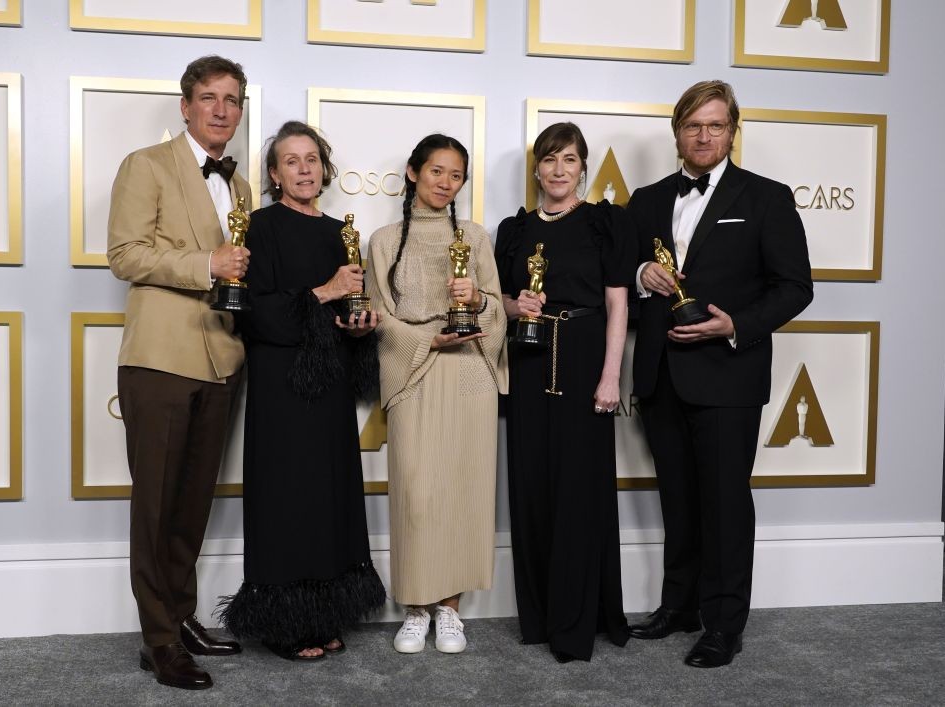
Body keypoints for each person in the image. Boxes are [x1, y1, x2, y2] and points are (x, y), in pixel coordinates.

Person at [626, 80, 813, 668]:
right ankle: (679, 606)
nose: (703, 136)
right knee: (678, 499)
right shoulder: (647, 199)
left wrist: (736, 325)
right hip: (661, 374)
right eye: (693, 126)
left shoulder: (767, 197)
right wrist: (641, 274)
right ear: (677, 132)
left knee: (726, 503)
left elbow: (795, 287)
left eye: (715, 125)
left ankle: (724, 624)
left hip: (729, 374)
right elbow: (619, 278)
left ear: (732, 131)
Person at [107, 55, 252, 691]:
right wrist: (206, 265)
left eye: (232, 99)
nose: (221, 109)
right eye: (209, 98)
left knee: (192, 504)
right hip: (160, 359)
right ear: (186, 106)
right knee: (156, 505)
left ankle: (182, 616)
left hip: (222, 359)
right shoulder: (146, 165)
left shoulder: (241, 186)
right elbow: (124, 254)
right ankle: (158, 639)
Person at [216, 121, 386, 660]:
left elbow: (346, 312)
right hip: (280, 385)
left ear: (324, 168)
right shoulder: (258, 228)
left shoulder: (342, 232)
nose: (304, 169)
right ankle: (284, 623)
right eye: (291, 161)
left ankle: (326, 613)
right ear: (274, 174)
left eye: (312, 159)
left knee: (330, 495)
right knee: (286, 496)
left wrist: (360, 327)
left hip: (330, 383)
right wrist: (326, 291)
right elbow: (254, 312)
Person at [494, 122, 636, 662]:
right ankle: (539, 617)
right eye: (550, 159)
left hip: (583, 359)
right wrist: (517, 306)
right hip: (528, 359)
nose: (559, 170)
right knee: (532, 486)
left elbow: (618, 303)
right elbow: (500, 302)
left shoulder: (604, 222)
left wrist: (610, 375)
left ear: (583, 168)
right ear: (537, 169)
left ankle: (577, 624)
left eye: (569, 159)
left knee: (579, 490)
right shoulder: (514, 230)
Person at [366, 134, 507, 655]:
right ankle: (416, 607)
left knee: (464, 490)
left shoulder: (476, 236)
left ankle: (450, 609)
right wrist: (428, 338)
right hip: (414, 369)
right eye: (436, 171)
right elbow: (378, 315)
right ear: (413, 172)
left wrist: (479, 300)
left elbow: (496, 308)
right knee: (417, 494)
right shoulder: (383, 240)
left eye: (456, 175)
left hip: (470, 372)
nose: (446, 183)